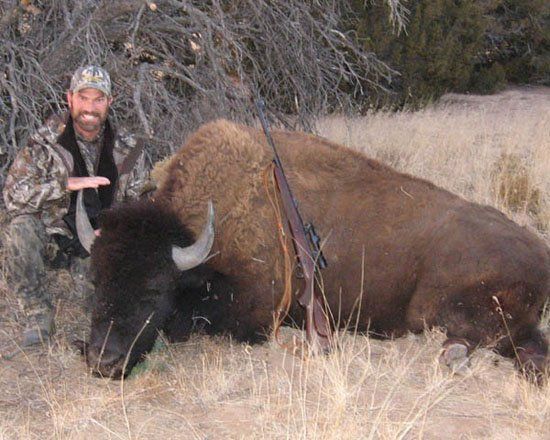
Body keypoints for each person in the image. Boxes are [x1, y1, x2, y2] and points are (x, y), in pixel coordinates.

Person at [3, 65, 148, 346]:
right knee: (19, 230)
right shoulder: (45, 142)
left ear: (110, 102)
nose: (90, 107)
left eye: (98, 99)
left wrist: (115, 234)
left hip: (98, 245)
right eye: (83, 98)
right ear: (69, 98)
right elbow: (12, 196)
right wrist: (64, 185)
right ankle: (38, 314)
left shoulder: (128, 148)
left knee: (96, 304)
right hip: (55, 238)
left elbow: (143, 204)